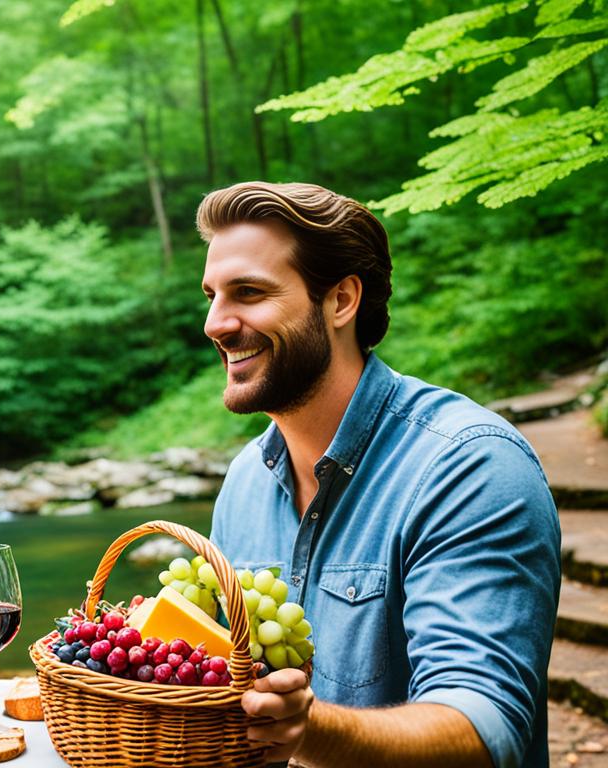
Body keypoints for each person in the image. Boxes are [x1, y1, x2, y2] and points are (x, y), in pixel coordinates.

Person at [199, 182, 560, 768]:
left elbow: (484, 727)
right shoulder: (244, 480)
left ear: (341, 300)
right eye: (212, 296)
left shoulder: (469, 466)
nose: (215, 323)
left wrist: (307, 732)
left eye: (248, 293)